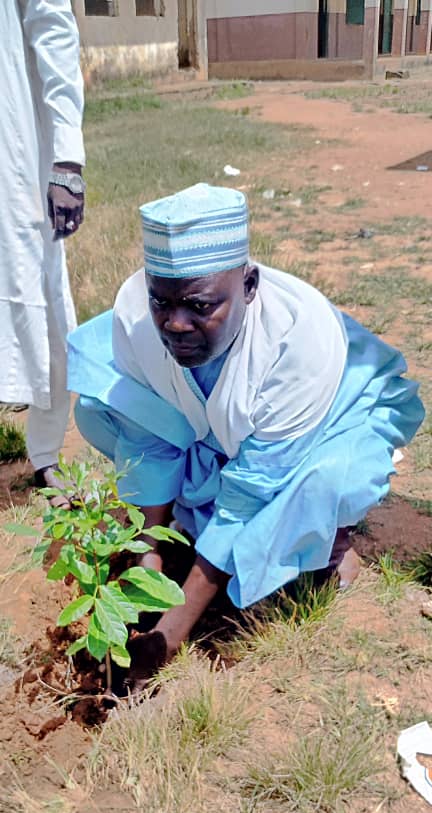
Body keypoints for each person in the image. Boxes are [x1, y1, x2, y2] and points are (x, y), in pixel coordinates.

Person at [68, 183, 424, 689]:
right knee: (100, 408)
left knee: (327, 485)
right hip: (225, 435)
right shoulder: (137, 321)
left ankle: (328, 543)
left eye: (199, 306)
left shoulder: (298, 343)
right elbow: (151, 441)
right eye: (161, 302)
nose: (175, 324)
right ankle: (199, 535)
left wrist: (169, 634)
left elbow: (248, 491)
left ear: (249, 284)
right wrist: (143, 573)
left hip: (321, 427)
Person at [0, 1, 85, 506]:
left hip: (12, 150)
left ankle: (45, 454)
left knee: (38, 294)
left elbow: (54, 29)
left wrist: (66, 158)